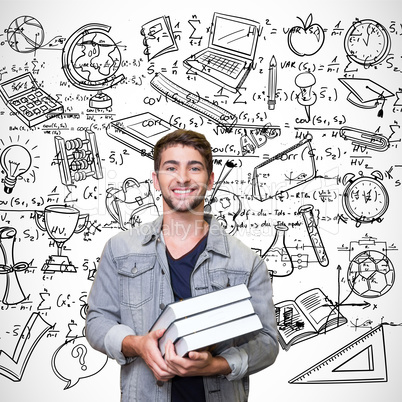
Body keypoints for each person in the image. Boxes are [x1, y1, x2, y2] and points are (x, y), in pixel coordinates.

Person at [86, 129, 279, 401]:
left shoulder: (247, 262)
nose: (183, 178)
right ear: (156, 179)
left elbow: (268, 342)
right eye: (171, 167)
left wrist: (217, 365)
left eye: (195, 167)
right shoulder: (120, 249)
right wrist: (137, 345)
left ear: (210, 179)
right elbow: (97, 321)